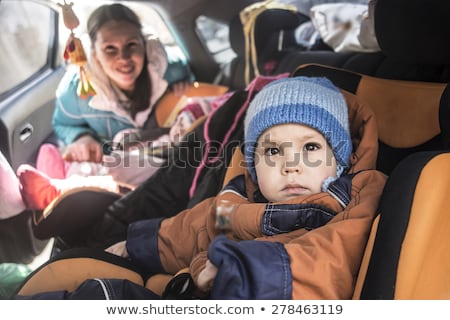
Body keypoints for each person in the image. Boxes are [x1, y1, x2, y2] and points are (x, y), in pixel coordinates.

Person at [105, 76, 387, 299]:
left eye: (311, 147)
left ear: (338, 159)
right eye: (273, 152)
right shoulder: (238, 202)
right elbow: (202, 227)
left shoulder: (355, 197)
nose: (291, 165)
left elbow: (334, 257)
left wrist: (241, 268)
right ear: (254, 165)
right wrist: (138, 245)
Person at [35, 3, 190, 182]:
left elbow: (192, 80)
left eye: (131, 45)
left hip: (164, 161)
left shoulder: (170, 69)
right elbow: (63, 124)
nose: (123, 58)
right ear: (94, 55)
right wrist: (81, 137)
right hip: (113, 169)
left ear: (144, 46)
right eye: (110, 49)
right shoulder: (76, 90)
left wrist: (185, 85)